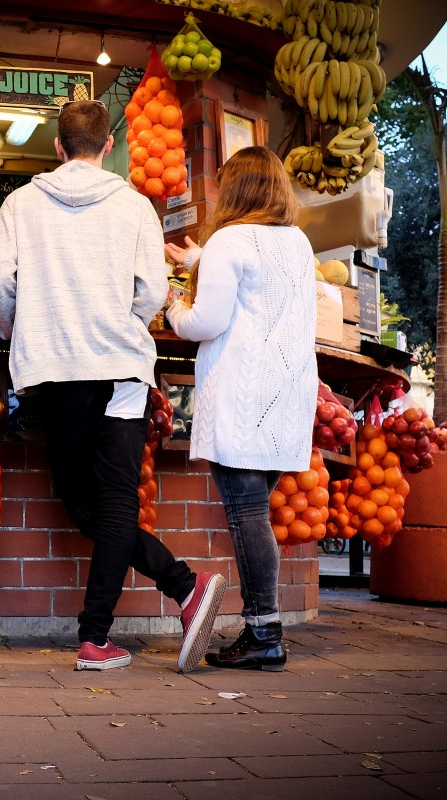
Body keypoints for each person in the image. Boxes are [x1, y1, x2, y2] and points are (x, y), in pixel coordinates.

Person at [0, 100, 226, 673]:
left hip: (54, 372)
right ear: (108, 145)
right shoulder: (136, 206)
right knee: (105, 505)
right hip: (120, 372)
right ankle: (184, 588)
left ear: (59, 147)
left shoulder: (21, 202)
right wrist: (124, 325)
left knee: (86, 504)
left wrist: (18, 328)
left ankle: (103, 633)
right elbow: (151, 289)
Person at [164, 146, 319, 672]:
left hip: (243, 397)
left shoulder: (229, 239)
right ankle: (263, 630)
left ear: (235, 188)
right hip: (286, 400)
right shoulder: (297, 243)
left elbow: (207, 322)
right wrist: (198, 261)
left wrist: (172, 308)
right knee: (255, 515)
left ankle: (264, 635)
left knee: (248, 516)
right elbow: (257, 287)